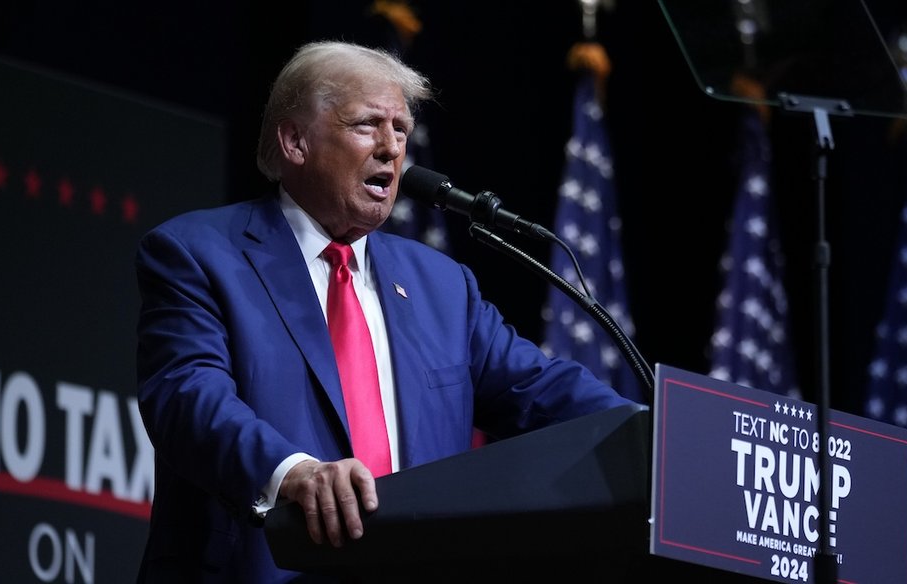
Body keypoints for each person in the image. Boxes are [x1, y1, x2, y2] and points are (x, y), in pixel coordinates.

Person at [134, 40, 638, 583]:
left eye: (400, 129)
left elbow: (545, 392)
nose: (391, 148)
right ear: (294, 141)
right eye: (366, 125)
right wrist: (292, 473)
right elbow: (187, 395)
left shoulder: (442, 286)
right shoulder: (200, 253)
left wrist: (655, 440)